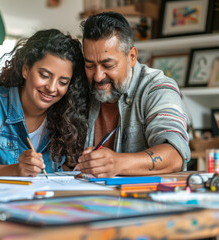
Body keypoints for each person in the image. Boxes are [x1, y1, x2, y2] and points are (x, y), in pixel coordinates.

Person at [0, 29, 89, 177]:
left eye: (63, 82)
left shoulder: (68, 114)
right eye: (44, 75)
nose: (52, 88)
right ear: (26, 69)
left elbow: (65, 173)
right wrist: (17, 169)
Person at [77, 12, 190, 178]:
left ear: (131, 57)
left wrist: (117, 163)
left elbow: (175, 155)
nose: (98, 76)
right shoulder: (78, 85)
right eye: (90, 65)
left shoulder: (157, 87)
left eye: (108, 65)